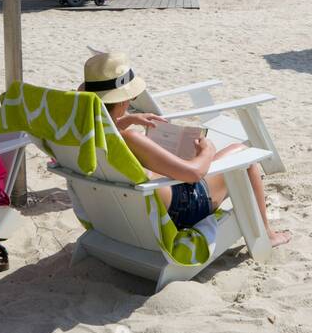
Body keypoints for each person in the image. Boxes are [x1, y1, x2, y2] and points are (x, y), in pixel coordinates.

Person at [80, 53, 290, 247]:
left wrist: (124, 121)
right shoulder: (131, 139)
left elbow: (108, 130)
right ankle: (268, 235)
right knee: (242, 153)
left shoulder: (84, 136)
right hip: (180, 210)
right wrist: (206, 151)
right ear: (125, 99)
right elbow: (193, 174)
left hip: (118, 214)